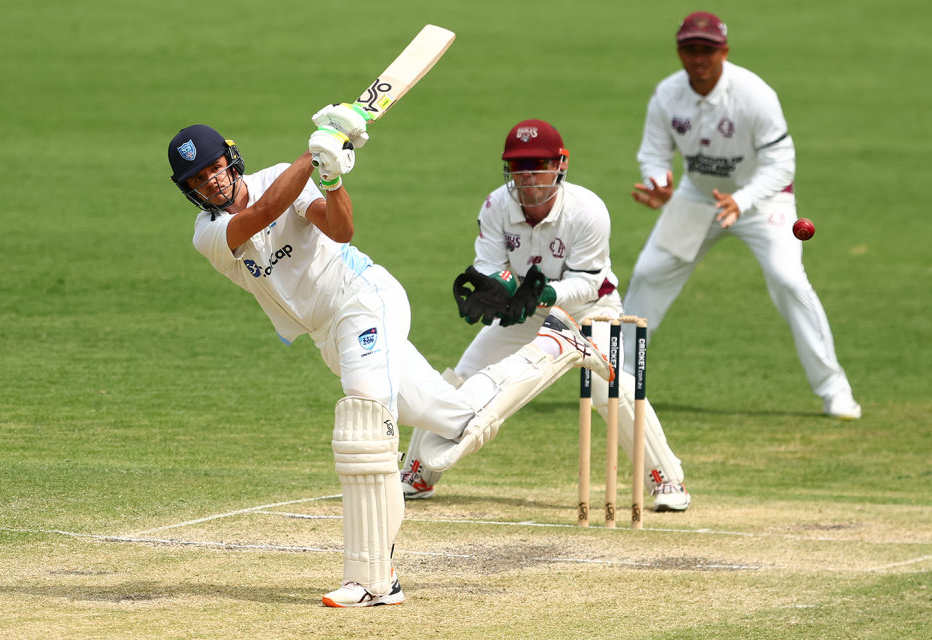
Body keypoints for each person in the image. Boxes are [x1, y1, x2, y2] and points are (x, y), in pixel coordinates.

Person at [166, 106, 613, 608]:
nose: (212, 183)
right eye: (198, 180)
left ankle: (375, 577)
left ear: (232, 159)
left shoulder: (283, 179)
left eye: (215, 168)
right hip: (326, 334)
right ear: (190, 190)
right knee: (453, 418)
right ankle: (557, 346)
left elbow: (341, 231)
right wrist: (318, 153)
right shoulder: (208, 233)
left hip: (363, 298)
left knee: (364, 420)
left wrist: (331, 179)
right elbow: (263, 213)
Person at [400, 119, 691, 513]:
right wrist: (493, 290)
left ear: (560, 164)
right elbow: (489, 265)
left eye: (538, 165)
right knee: (466, 376)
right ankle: (417, 470)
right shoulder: (496, 205)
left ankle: (666, 477)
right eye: (519, 167)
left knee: (609, 387)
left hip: (591, 311)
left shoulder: (587, 211)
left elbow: (589, 283)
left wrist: (547, 294)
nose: (529, 176)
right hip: (524, 311)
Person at [624, 12, 861, 419]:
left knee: (788, 280)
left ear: (724, 52)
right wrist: (658, 181)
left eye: (708, 50)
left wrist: (744, 200)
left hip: (763, 202)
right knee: (648, 274)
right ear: (680, 52)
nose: (699, 58)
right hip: (697, 197)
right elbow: (654, 152)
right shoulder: (667, 94)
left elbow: (782, 163)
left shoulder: (754, 94)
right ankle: (617, 379)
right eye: (690, 50)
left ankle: (834, 389)